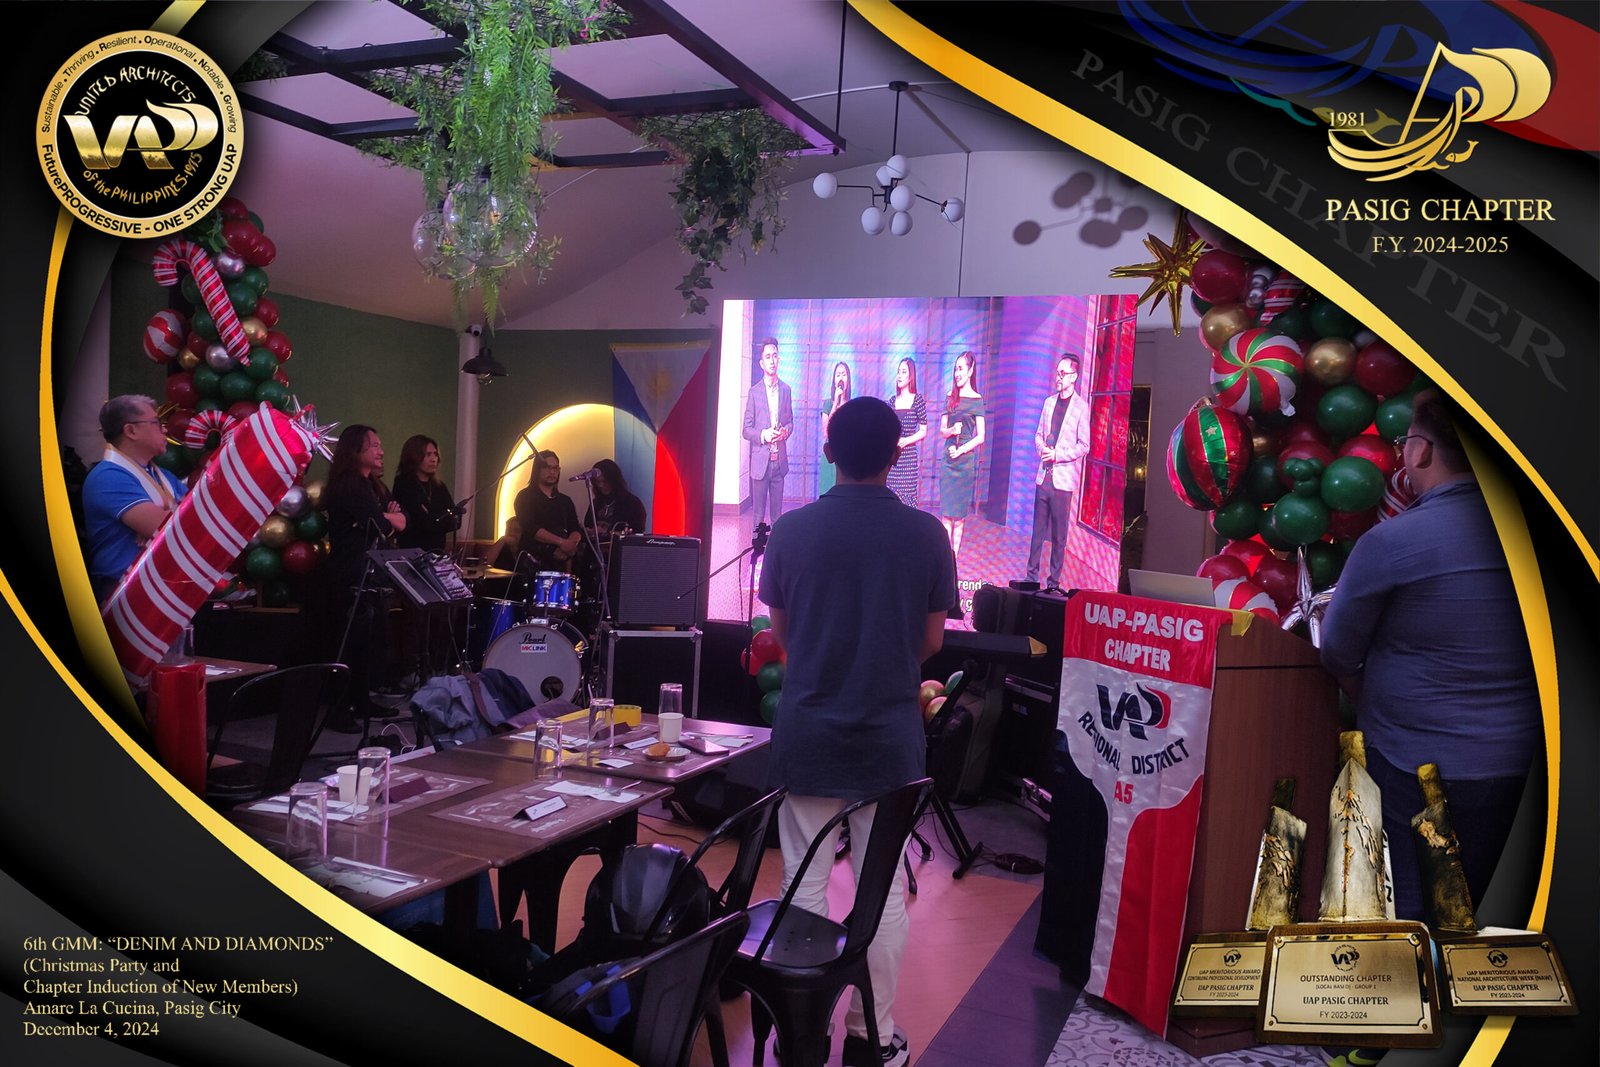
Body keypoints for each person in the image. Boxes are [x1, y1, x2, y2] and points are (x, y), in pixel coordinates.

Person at [759, 396, 958, 1067]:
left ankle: (800, 1036)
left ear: (827, 453)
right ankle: (872, 1038)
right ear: (897, 456)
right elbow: (931, 641)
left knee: (803, 886)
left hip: (808, 734)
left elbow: (784, 636)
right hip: (888, 741)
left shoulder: (790, 530)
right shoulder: (927, 534)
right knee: (882, 894)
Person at [1320, 389, 1541, 922]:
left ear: (1420, 451)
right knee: (1494, 913)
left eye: (1406, 442)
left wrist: (1374, 698)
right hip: (1523, 767)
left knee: (1414, 914)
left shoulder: (1392, 542)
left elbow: (1337, 652)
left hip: (1413, 767)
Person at [324, 425, 407, 724]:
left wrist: (383, 518)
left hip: (368, 573)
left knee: (367, 644)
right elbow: (383, 525)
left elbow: (398, 522)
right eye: (374, 445)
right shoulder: (348, 485)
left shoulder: (370, 485)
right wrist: (386, 518)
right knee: (348, 645)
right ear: (355, 450)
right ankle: (338, 710)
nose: (381, 451)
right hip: (349, 574)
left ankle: (361, 701)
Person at [82, 394, 187, 602]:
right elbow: (170, 530)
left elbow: (194, 520)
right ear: (131, 431)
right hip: (125, 591)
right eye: (156, 423)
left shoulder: (164, 476)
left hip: (164, 587)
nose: (165, 430)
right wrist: (169, 517)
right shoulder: (108, 476)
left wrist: (168, 518)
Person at [1025, 354, 1091, 590]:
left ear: (1074, 377)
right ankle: (1031, 578)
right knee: (1037, 533)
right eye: (1057, 372)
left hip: (1062, 482)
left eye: (1063, 373)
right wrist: (1042, 449)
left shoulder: (1081, 408)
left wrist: (1058, 455)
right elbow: (1038, 435)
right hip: (1044, 477)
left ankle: (1053, 583)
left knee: (1059, 537)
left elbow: (1084, 446)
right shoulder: (1048, 403)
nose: (1058, 377)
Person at [937, 351, 986, 561]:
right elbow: (942, 431)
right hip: (948, 460)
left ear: (971, 370)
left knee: (959, 518)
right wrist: (951, 431)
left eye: (961, 368)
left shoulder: (977, 400)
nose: (957, 373)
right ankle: (944, 558)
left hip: (964, 462)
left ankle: (954, 559)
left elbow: (981, 436)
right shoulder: (950, 396)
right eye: (955, 369)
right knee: (946, 515)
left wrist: (962, 449)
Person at [742, 336, 793, 525]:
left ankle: (775, 545)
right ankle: (757, 544)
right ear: (762, 363)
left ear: (779, 359)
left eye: (775, 355)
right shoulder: (754, 392)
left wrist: (785, 432)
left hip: (779, 462)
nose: (772, 360)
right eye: (768, 357)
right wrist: (764, 435)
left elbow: (790, 422)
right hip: (760, 463)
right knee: (758, 516)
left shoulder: (786, 390)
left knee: (777, 517)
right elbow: (746, 430)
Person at [391, 435, 461, 555]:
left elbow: (455, 520)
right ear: (414, 456)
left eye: (435, 454)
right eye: (428, 455)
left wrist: (433, 518)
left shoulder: (439, 486)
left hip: (437, 553)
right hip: (412, 553)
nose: (433, 459)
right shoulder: (404, 484)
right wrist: (439, 519)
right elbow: (419, 521)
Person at [513, 450, 582, 572]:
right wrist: (561, 542)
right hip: (533, 561)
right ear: (537, 470)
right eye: (547, 468)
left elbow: (575, 527)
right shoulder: (525, 496)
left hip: (561, 564)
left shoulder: (565, 500)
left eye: (555, 468)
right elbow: (530, 527)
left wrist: (570, 544)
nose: (552, 472)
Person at [887, 357, 928, 508]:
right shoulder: (892, 401)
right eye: (898, 372)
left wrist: (906, 440)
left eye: (903, 372)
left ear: (911, 376)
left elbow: (923, 431)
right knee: (891, 501)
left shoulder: (917, 400)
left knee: (907, 503)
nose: (899, 375)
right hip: (893, 457)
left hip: (909, 458)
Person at [584, 458, 647, 541]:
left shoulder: (632, 503)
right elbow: (587, 525)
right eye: (597, 482)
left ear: (613, 480)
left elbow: (637, 533)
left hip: (618, 548)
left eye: (604, 481)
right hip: (595, 548)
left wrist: (607, 533)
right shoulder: (596, 503)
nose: (600, 485)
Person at [816, 360, 852, 497]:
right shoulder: (828, 404)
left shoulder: (852, 406)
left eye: (844, 374)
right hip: (829, 458)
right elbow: (826, 432)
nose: (841, 377)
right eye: (838, 375)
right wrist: (835, 404)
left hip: (847, 459)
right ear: (834, 380)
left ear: (848, 379)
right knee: (827, 497)